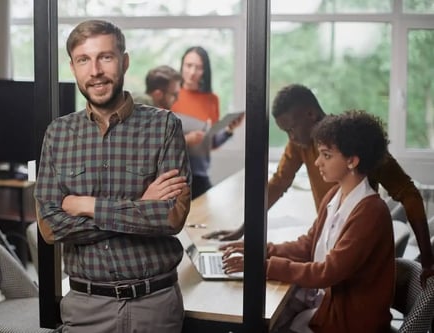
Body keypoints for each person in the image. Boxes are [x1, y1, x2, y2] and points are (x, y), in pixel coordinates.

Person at [34, 20, 191, 333]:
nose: (95, 71)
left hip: (155, 305)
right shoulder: (58, 134)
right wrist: (139, 205)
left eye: (105, 57)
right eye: (83, 60)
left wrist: (87, 204)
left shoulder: (164, 127)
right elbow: (50, 227)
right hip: (85, 308)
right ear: (73, 67)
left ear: (125, 61)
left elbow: (171, 216)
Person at [205, 83, 434, 284]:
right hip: (327, 241)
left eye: (291, 129)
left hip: (350, 246)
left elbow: (409, 194)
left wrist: (427, 260)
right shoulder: (301, 145)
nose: (290, 138)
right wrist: (247, 232)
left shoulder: (354, 143)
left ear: (310, 114)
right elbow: (278, 183)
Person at [222, 110, 395, 333]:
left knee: (268, 322)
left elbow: (327, 272)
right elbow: (307, 246)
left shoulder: (371, 211)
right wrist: (259, 251)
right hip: (327, 307)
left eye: (326, 155)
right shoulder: (334, 195)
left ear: (352, 161)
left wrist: (262, 267)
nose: (317, 162)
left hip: (348, 323)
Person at [172, 46, 244, 199]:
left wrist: (229, 130)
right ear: (181, 66)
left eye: (198, 67)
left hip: (199, 176)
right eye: (189, 65)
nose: (192, 72)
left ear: (205, 71)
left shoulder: (211, 100)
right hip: (173, 177)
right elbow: (158, 143)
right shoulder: (171, 95)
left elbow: (210, 143)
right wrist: (187, 140)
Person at [135, 64, 207, 147]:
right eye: (174, 95)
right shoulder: (141, 103)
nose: (177, 99)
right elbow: (149, 145)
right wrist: (186, 140)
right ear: (158, 94)